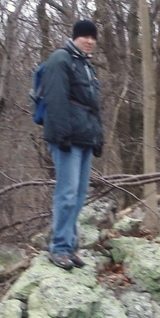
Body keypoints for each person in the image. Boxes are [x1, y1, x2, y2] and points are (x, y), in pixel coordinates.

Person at [42, 19, 104, 270]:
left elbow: (93, 106)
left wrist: (98, 138)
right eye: (85, 36)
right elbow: (55, 99)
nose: (90, 41)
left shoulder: (85, 65)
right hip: (67, 138)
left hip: (84, 137)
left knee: (79, 195)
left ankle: (69, 246)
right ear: (75, 37)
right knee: (66, 194)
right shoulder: (60, 59)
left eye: (93, 37)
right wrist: (62, 135)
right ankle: (59, 248)